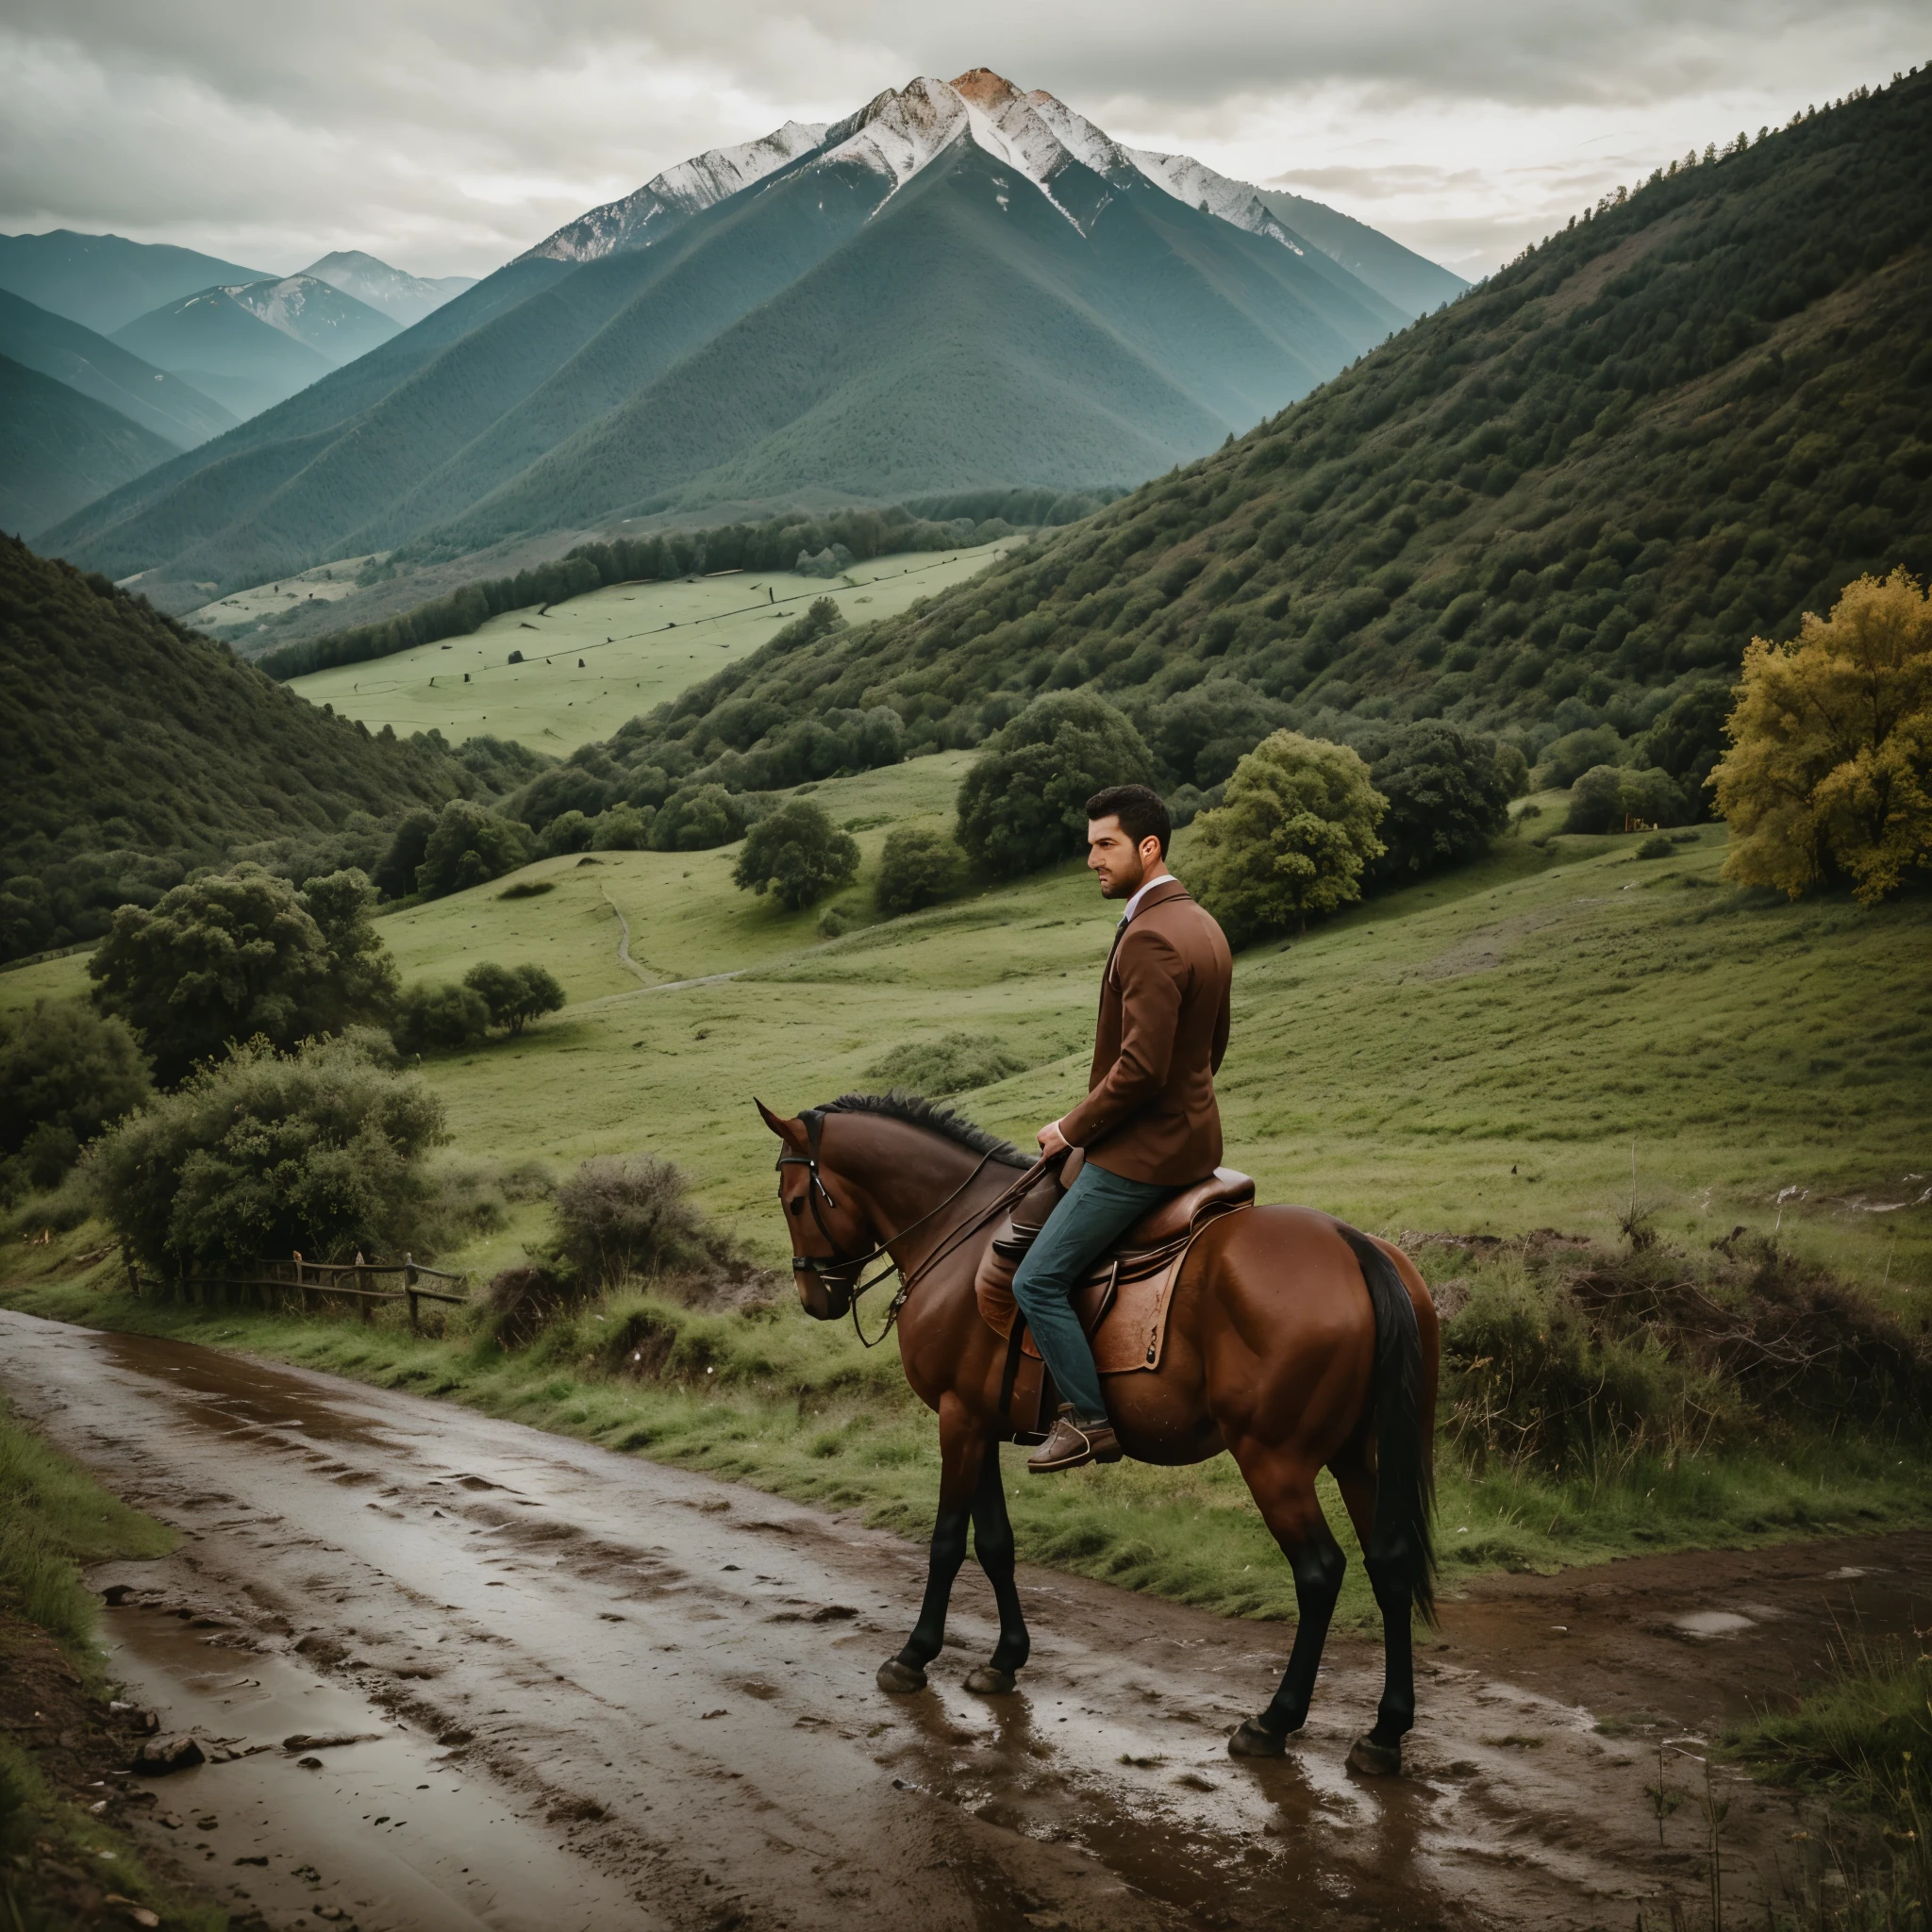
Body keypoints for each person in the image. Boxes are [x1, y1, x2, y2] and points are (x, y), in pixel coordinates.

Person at [1015, 784, 1234, 1473]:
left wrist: (1071, 1129)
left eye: (1104, 844)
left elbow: (1139, 1070)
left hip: (1145, 1155)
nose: (1091, 860)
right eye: (1089, 845)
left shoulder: (1149, 937)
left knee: (1037, 1279)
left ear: (1149, 847)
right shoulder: (1200, 922)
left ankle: (1089, 1420)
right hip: (1195, 1137)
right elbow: (1210, 1047)